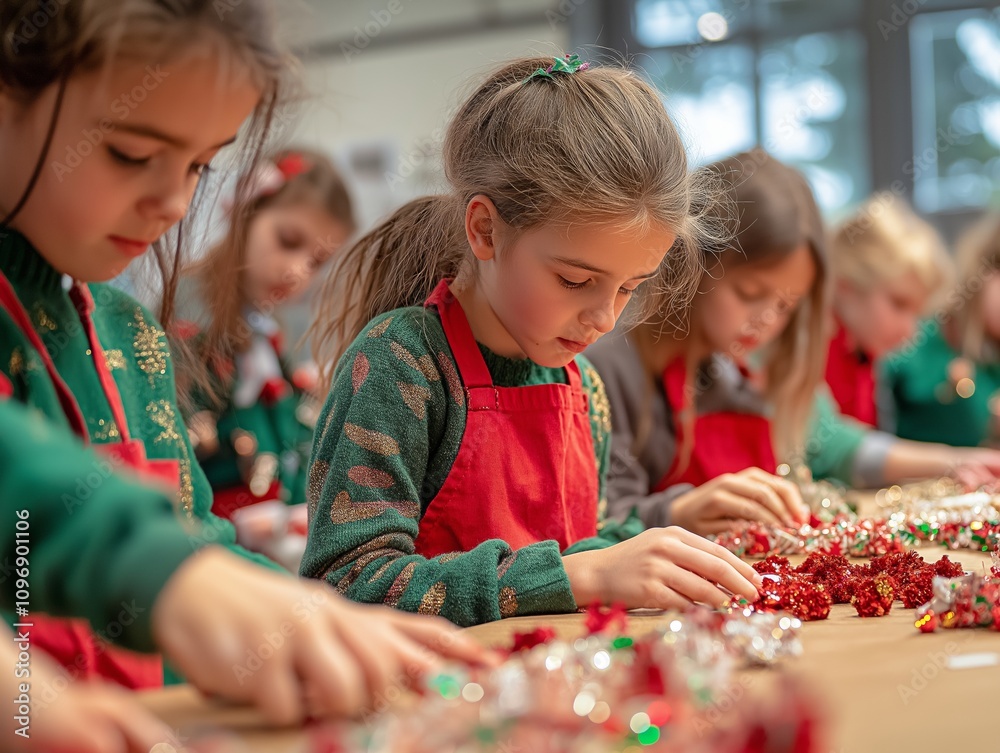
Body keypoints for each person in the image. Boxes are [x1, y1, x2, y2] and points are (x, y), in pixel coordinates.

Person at [0, 0, 489, 702]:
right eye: (130, 154)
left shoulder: (129, 332)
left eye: (200, 166)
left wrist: (311, 617)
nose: (172, 201)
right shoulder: (177, 325)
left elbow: (193, 533)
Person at [301, 54, 763, 627]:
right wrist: (582, 575)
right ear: (485, 230)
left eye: (629, 289)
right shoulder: (402, 366)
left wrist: (662, 530)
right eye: (575, 280)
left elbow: (576, 549)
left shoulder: (582, 385)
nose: (604, 319)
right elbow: (345, 584)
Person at [825, 193, 951, 426]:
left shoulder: (865, 353)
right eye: (899, 304)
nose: (910, 330)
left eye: (917, 314)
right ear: (846, 285)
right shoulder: (815, 353)